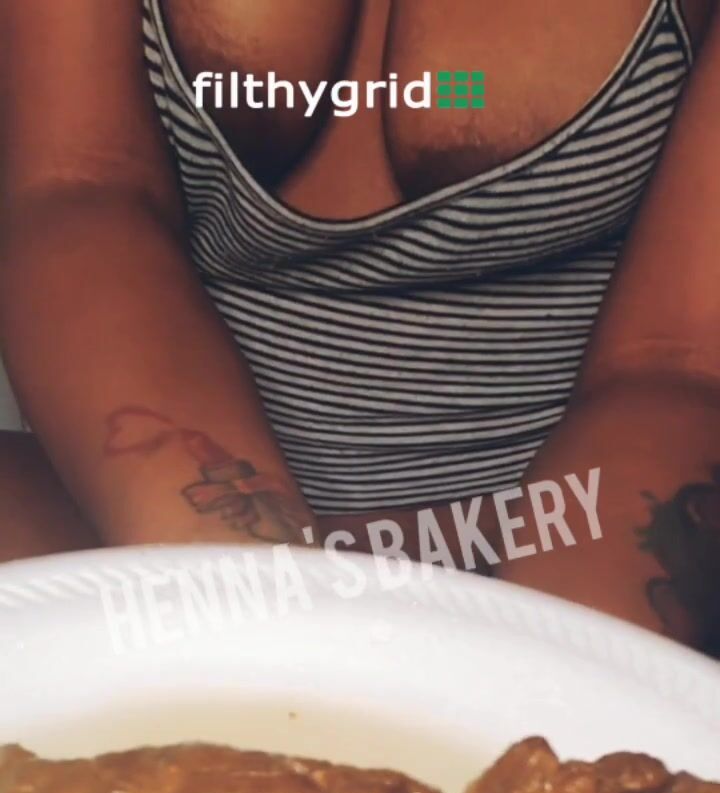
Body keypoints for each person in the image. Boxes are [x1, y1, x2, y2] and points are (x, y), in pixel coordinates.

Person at [0, 0, 718, 654]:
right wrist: (257, 578)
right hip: (157, 496)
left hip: (541, 533)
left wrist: (561, 683)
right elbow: (79, 187)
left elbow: (677, 364)